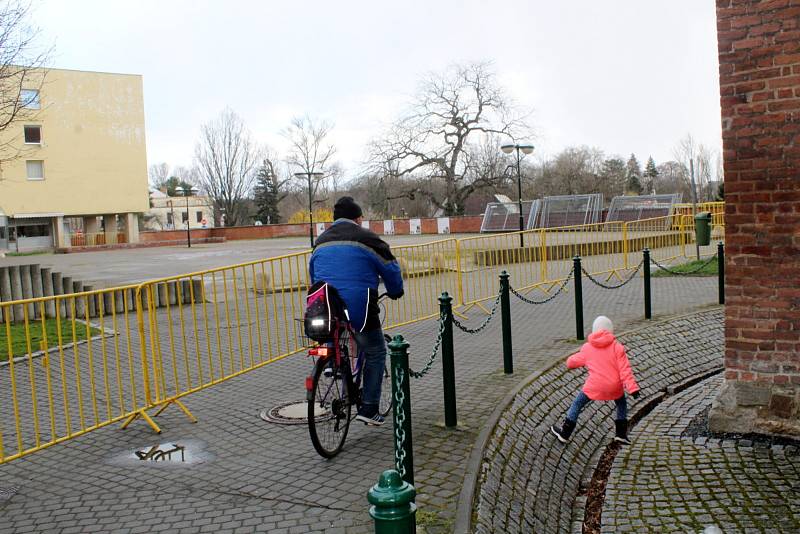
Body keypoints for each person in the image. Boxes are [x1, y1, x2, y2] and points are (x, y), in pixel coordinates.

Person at [309, 196, 404, 426]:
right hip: (358, 306)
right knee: (376, 351)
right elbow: (390, 269)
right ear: (358, 218)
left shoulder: (321, 241)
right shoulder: (367, 238)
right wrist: (395, 290)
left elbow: (314, 274)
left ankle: (333, 363)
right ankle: (369, 408)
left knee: (335, 333)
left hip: (325, 307)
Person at [550, 315, 640, 445]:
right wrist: (633, 389)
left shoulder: (588, 348)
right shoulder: (617, 347)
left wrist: (569, 360)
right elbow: (625, 370)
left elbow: (571, 363)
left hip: (594, 386)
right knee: (621, 404)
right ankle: (620, 434)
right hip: (614, 387)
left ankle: (565, 433)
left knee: (577, 404)